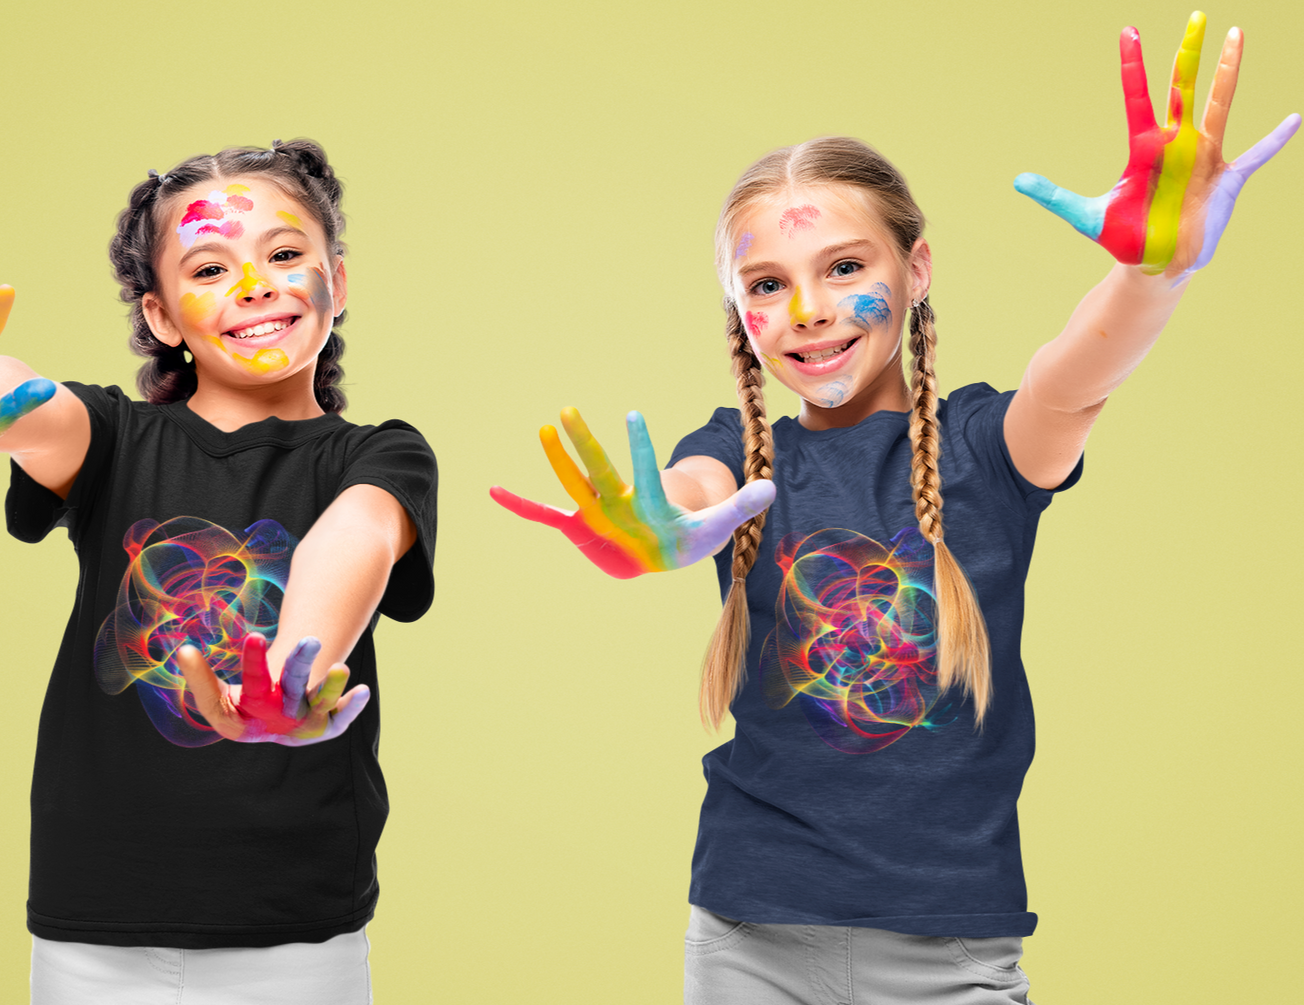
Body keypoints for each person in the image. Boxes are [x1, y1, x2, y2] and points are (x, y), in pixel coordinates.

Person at [491, 13, 1296, 1004]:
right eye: (765, 283)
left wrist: (1149, 271)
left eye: (843, 267)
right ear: (736, 313)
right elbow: (693, 503)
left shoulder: (985, 449)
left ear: (913, 273)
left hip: (948, 949)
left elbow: (1077, 372)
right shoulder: (734, 453)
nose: (807, 309)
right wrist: (660, 535)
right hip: (747, 930)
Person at [0, 138, 438, 1004]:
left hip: (294, 930)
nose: (255, 286)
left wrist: (293, 671)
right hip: (93, 927)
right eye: (209, 268)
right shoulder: (113, 435)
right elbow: (34, 405)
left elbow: (352, 537)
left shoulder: (382, 454)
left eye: (285, 255)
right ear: (163, 317)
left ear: (338, 282)